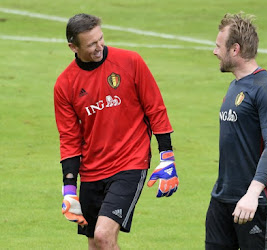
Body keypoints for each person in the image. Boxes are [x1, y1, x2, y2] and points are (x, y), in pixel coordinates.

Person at [54, 13, 179, 250]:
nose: (99, 46)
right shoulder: (65, 84)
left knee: (103, 236)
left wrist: (167, 155)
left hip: (130, 162)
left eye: (100, 38)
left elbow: (155, 108)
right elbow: (69, 138)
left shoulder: (130, 62)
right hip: (91, 170)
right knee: (94, 244)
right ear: (73, 47)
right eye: (91, 44)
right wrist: (69, 188)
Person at [205, 12, 267, 250]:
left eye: (218, 46)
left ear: (235, 49)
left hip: (256, 202)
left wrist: (252, 194)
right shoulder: (235, 86)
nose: (214, 51)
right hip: (222, 197)